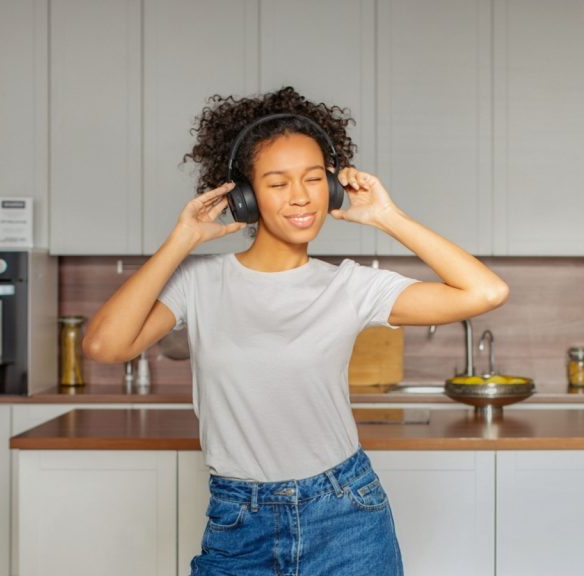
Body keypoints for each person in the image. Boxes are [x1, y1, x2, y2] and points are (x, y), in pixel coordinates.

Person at [82, 86, 509, 575]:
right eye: (277, 183)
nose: (301, 197)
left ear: (331, 188)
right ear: (244, 196)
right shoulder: (199, 283)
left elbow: (486, 292)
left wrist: (387, 217)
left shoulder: (349, 285)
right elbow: (104, 345)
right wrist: (182, 239)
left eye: (313, 179)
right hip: (238, 519)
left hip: (346, 514)